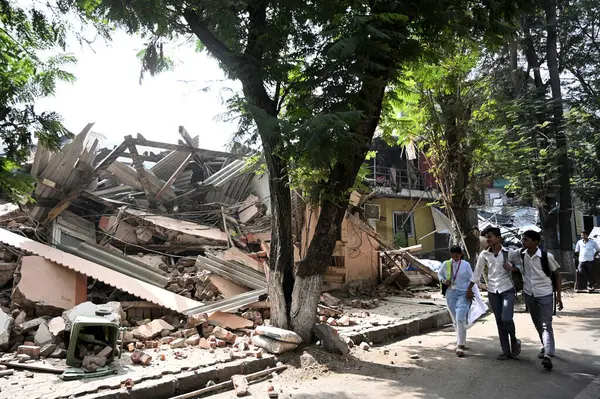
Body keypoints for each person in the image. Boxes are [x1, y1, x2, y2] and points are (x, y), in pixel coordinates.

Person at [468, 226, 522, 360]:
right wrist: (469, 288)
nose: (488, 239)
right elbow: (477, 272)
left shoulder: (509, 253)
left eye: (490, 237)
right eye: (487, 237)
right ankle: (505, 351)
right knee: (499, 321)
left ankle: (514, 340)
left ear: (498, 238)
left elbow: (520, 266)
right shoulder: (484, 254)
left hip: (507, 289)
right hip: (492, 290)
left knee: (507, 318)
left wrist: (512, 268)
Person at [520, 230, 563, 370]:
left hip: (544, 293)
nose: (523, 242)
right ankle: (547, 347)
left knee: (546, 324)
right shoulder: (521, 255)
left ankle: (548, 355)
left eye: (526, 239)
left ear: (535, 242)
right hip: (529, 293)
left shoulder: (546, 256)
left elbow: (557, 274)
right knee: (538, 323)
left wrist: (558, 296)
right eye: (523, 239)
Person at [438, 246, 473, 357]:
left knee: (460, 317)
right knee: (455, 319)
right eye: (453, 256)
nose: (455, 258)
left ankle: (460, 345)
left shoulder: (466, 265)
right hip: (451, 294)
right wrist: (444, 280)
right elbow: (439, 274)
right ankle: (460, 338)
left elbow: (473, 279)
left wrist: (470, 291)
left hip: (463, 294)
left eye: (457, 256)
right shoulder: (446, 264)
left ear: (461, 254)